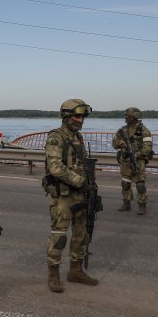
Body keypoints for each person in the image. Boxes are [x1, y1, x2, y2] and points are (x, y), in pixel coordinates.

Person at [42, 98, 99, 293]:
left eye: (82, 116)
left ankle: (76, 270)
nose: (80, 119)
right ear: (66, 116)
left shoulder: (78, 137)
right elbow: (55, 167)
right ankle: (54, 275)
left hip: (81, 194)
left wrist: (89, 184)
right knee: (59, 236)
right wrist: (80, 181)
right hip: (64, 196)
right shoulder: (56, 137)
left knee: (81, 234)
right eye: (76, 115)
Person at [111, 107, 153, 215]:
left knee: (140, 184)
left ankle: (142, 205)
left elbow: (147, 147)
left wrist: (136, 155)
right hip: (125, 160)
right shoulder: (122, 130)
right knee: (125, 182)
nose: (126, 118)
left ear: (134, 117)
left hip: (138, 161)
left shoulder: (143, 130)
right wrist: (120, 143)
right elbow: (114, 143)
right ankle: (126, 203)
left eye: (128, 117)